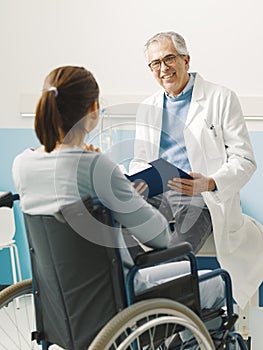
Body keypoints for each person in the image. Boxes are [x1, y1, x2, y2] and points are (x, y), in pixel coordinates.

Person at [12, 65, 224, 317]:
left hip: (63, 298)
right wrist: (128, 195)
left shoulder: (22, 164)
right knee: (217, 281)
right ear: (93, 110)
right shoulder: (95, 167)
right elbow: (159, 236)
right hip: (119, 294)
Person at [129, 31, 263, 308]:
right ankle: (134, 295)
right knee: (112, 218)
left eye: (169, 59)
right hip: (158, 193)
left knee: (180, 240)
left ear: (186, 60)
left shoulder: (221, 98)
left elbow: (245, 160)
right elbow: (140, 160)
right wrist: (136, 182)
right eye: (155, 63)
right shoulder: (147, 107)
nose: (163, 68)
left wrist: (210, 183)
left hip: (200, 196)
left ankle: (169, 313)